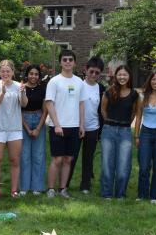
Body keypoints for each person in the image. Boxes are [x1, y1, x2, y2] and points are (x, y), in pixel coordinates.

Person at [44, 50, 85, 198]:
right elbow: (49, 103)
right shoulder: (54, 81)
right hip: (57, 126)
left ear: (74, 62)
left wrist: (81, 125)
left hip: (74, 127)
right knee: (57, 159)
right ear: (60, 62)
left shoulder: (79, 82)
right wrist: (56, 124)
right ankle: (50, 189)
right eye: (65, 59)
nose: (67, 62)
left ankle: (63, 189)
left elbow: (81, 104)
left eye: (70, 60)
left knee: (68, 159)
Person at [0, 60, 28, 199]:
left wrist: (23, 93)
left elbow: (24, 104)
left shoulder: (19, 86)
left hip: (15, 129)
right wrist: (3, 92)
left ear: (12, 72)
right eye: (2, 71)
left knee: (14, 160)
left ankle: (14, 191)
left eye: (8, 71)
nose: (5, 73)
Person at [67, 57, 105, 193]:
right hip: (76, 127)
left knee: (88, 158)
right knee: (72, 157)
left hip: (93, 128)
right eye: (91, 71)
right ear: (85, 70)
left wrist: (101, 131)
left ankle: (85, 185)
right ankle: (65, 184)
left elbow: (103, 110)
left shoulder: (101, 89)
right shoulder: (78, 85)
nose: (94, 75)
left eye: (97, 73)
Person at [100, 65, 138, 199]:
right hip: (108, 131)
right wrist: (110, 122)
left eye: (125, 75)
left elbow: (134, 112)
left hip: (125, 132)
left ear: (129, 77)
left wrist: (125, 124)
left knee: (123, 164)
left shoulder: (134, 94)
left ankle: (120, 194)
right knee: (107, 163)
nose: (122, 77)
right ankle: (106, 194)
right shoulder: (109, 91)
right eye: (120, 74)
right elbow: (103, 109)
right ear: (116, 76)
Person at [20, 64, 48, 195]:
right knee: (24, 155)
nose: (33, 76)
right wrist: (26, 127)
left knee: (38, 154)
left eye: (36, 74)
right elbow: (18, 110)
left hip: (39, 119)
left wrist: (38, 128)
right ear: (27, 74)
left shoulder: (42, 89)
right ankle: (24, 187)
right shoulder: (21, 89)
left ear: (39, 76)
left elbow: (45, 110)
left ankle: (37, 186)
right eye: (31, 73)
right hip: (23, 119)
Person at [135, 69, 156, 204]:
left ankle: (154, 196)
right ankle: (142, 194)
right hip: (145, 133)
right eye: (154, 79)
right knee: (144, 166)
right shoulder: (142, 96)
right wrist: (137, 136)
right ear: (150, 80)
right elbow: (138, 117)